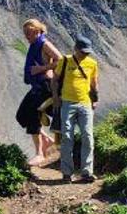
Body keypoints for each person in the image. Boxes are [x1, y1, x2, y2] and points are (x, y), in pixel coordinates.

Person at [50, 35, 99, 182]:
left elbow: (94, 83)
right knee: (67, 137)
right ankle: (66, 173)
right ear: (75, 49)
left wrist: (95, 99)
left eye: (87, 52)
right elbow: (54, 81)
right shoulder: (65, 61)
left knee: (88, 136)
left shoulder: (92, 64)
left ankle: (87, 172)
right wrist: (56, 98)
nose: (85, 54)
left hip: (85, 104)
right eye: (82, 51)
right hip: (67, 103)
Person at [15, 19, 62, 165]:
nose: (26, 36)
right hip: (36, 86)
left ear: (36, 31)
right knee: (22, 115)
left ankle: (39, 153)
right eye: (25, 33)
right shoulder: (34, 45)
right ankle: (48, 141)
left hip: (45, 86)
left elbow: (60, 60)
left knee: (33, 115)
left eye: (28, 33)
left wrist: (41, 69)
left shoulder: (44, 44)